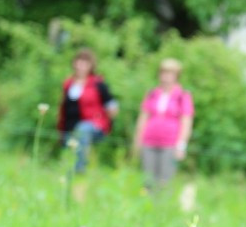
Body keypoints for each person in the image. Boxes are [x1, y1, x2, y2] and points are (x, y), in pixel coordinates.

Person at [132, 58, 194, 191]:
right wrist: (138, 140)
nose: (166, 77)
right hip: (149, 141)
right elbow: (143, 118)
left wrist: (181, 145)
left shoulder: (182, 96)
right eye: (164, 73)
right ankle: (147, 207)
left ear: (176, 76)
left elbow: (186, 122)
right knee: (148, 180)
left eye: (170, 73)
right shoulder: (152, 94)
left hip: (170, 143)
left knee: (164, 181)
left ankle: (161, 209)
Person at [57, 48, 119, 174]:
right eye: (79, 62)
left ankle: (80, 169)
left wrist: (109, 122)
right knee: (69, 149)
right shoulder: (68, 84)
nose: (81, 66)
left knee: (83, 129)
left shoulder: (98, 84)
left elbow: (112, 106)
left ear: (91, 66)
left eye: (85, 63)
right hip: (70, 126)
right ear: (74, 63)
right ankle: (69, 174)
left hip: (93, 125)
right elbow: (64, 107)